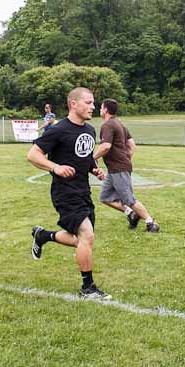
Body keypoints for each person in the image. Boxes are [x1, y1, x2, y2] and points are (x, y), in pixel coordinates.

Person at [27, 87, 110, 300]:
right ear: (73, 104)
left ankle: (43, 235)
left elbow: (85, 156)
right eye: (88, 102)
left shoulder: (90, 130)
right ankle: (88, 288)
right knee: (87, 235)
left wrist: (94, 168)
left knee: (80, 240)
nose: (93, 106)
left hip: (83, 190)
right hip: (64, 192)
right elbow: (33, 154)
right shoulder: (58, 129)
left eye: (93, 103)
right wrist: (55, 167)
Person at [93, 98, 160, 233]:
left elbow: (105, 146)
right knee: (105, 197)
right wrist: (126, 158)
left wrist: (92, 158)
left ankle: (151, 222)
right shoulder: (119, 124)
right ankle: (131, 213)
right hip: (115, 169)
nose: (99, 110)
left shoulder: (108, 125)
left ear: (105, 110)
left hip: (119, 168)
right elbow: (132, 145)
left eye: (101, 107)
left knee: (129, 199)